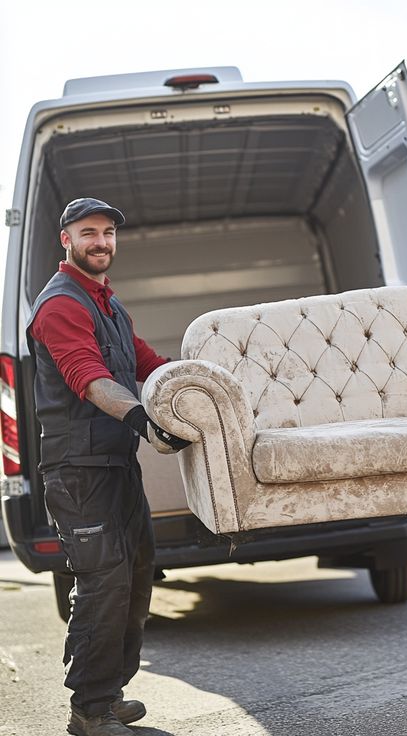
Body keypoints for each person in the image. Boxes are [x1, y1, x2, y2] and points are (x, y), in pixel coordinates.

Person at [27, 198, 191, 736]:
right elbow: (88, 376)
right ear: (66, 240)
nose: (101, 242)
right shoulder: (60, 306)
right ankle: (89, 710)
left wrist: (202, 381)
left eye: (108, 233)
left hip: (116, 466)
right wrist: (145, 418)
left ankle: (110, 692)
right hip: (78, 472)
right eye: (89, 232)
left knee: (137, 574)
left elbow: (145, 361)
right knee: (103, 584)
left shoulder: (108, 304)